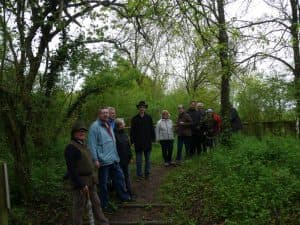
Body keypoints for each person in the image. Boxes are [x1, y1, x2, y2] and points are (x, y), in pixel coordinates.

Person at [64, 121, 109, 225]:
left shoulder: (83, 145)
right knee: (79, 207)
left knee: (96, 203)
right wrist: (81, 184)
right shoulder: (71, 148)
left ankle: (103, 222)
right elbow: (71, 170)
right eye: (79, 131)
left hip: (90, 180)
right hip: (80, 182)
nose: (82, 133)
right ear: (74, 133)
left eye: (84, 131)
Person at [88, 107, 132, 213]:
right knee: (103, 184)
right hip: (103, 161)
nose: (106, 114)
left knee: (120, 177)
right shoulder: (95, 127)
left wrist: (116, 156)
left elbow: (112, 142)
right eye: (103, 113)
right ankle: (105, 204)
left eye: (107, 113)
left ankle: (124, 197)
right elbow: (91, 144)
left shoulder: (108, 125)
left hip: (113, 159)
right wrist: (95, 159)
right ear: (99, 114)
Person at [130, 101, 155, 179]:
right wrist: (132, 141)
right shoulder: (134, 119)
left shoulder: (149, 117)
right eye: (140, 107)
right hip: (138, 142)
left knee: (148, 159)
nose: (142, 108)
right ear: (138, 108)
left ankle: (147, 173)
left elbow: (152, 129)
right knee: (139, 160)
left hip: (147, 141)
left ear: (145, 108)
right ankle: (139, 174)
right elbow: (132, 131)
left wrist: (153, 138)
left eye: (143, 107)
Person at [114, 118, 133, 198]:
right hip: (118, 160)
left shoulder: (125, 135)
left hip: (126, 159)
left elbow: (128, 146)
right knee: (120, 178)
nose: (124, 125)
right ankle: (121, 194)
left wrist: (131, 156)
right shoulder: (114, 135)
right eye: (123, 123)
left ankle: (129, 193)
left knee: (127, 176)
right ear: (119, 125)